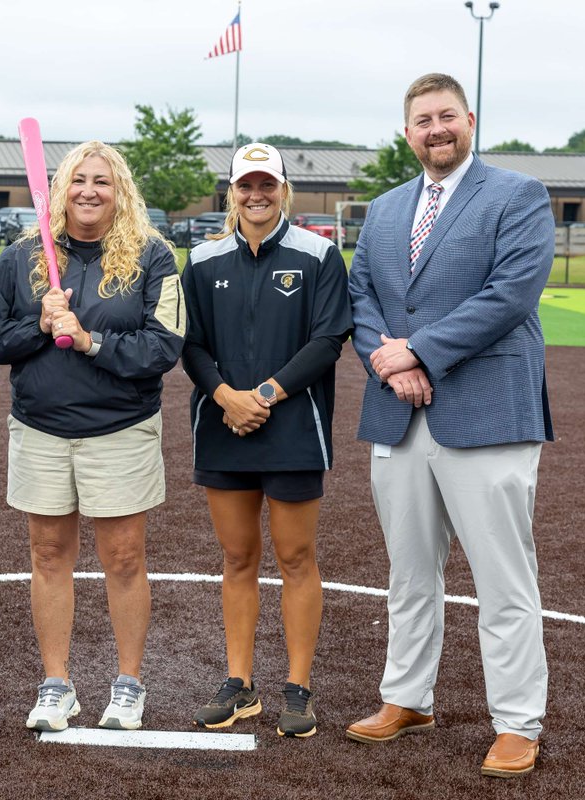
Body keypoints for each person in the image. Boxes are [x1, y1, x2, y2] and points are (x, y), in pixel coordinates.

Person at [345, 73, 555, 778]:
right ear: (407, 133)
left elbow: (511, 294)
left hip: (488, 411)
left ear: (468, 119)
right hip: (399, 415)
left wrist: (419, 349)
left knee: (503, 578)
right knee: (409, 574)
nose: (435, 130)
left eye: (445, 117)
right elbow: (363, 297)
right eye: (421, 121)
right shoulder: (381, 211)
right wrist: (391, 363)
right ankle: (408, 698)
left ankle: (519, 722)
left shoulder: (517, 195)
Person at [0, 141, 185, 733]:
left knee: (123, 558)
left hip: (119, 430)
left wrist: (89, 340)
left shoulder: (152, 256)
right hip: (41, 429)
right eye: (79, 180)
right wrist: (37, 326)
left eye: (104, 182)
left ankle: (128, 685)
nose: (90, 191)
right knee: (48, 556)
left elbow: (164, 347)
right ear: (60, 189)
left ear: (122, 193)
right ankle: (56, 684)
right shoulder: (22, 259)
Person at [182, 143, 353, 739]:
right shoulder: (201, 260)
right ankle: (239, 685)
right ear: (231, 191)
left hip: (292, 429)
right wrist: (227, 397)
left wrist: (267, 395)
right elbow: (190, 343)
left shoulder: (320, 254)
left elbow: (329, 338)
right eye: (246, 186)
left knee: (296, 558)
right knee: (236, 559)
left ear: (284, 190)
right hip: (223, 426)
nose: (257, 196)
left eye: (268, 185)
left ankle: (298, 688)